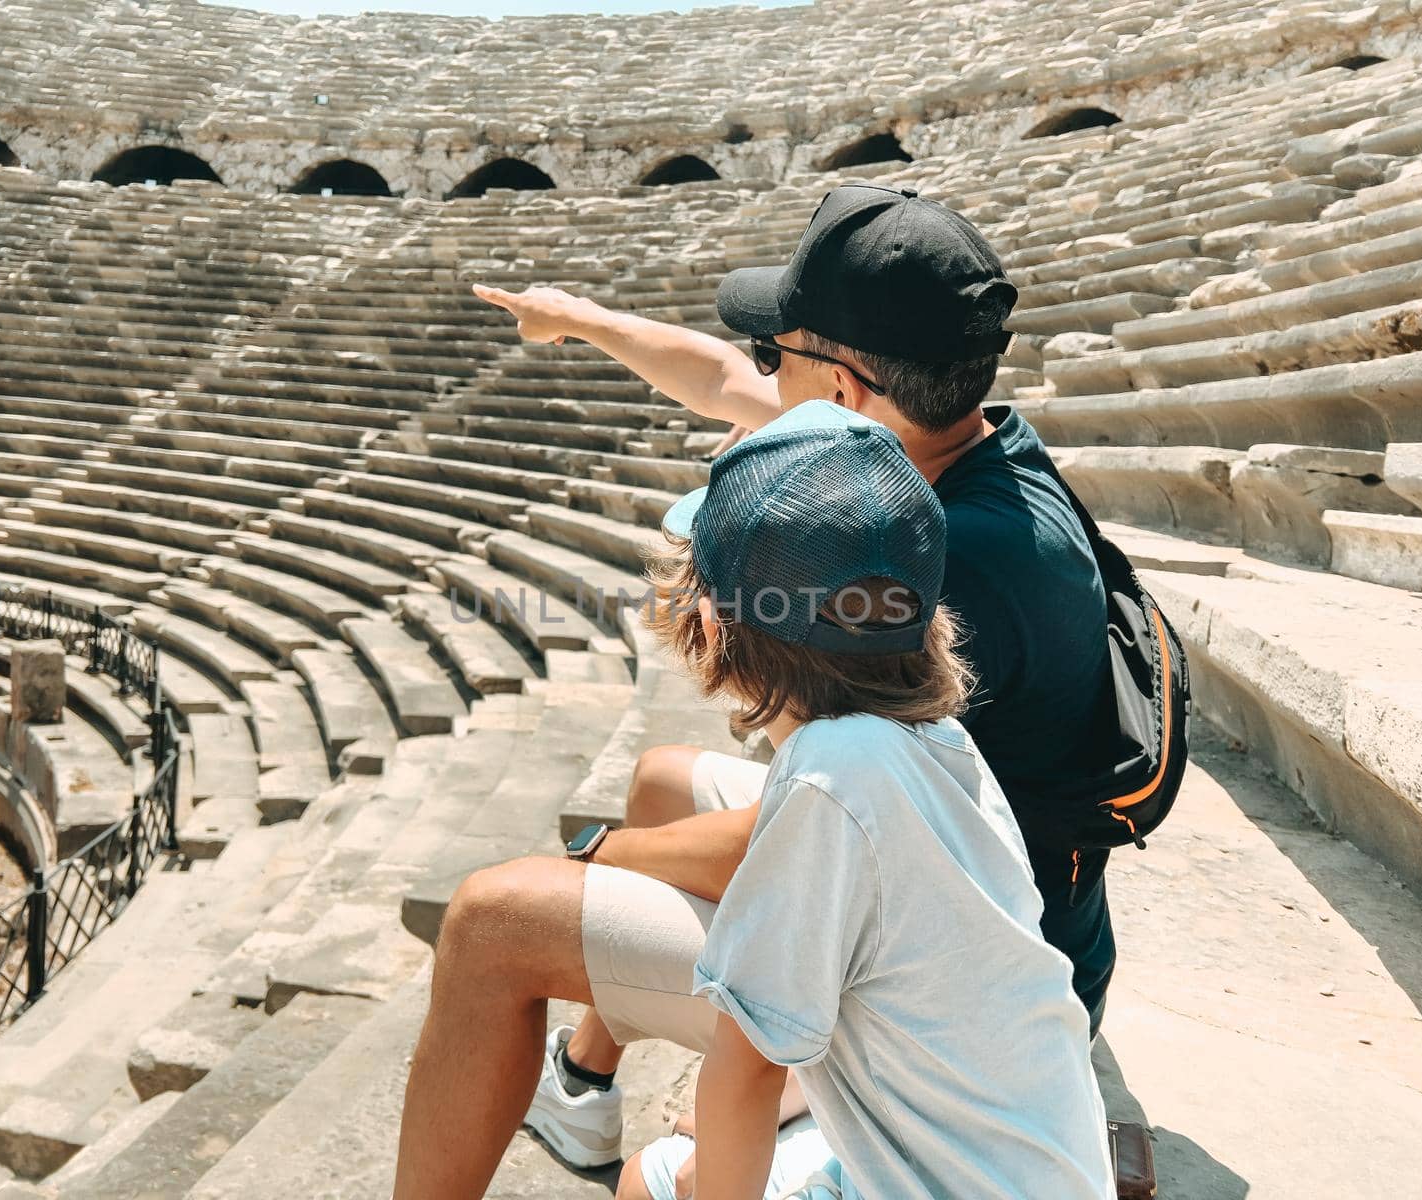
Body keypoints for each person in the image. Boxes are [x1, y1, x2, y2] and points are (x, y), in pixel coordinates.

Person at [390, 184, 1114, 1195]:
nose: (761, 375)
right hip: (960, 915)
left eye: (785, 357)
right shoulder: (929, 466)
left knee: (493, 918)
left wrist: (607, 854)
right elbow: (724, 381)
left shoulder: (966, 568)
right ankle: (584, 1078)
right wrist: (580, 320)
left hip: (930, 956)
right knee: (661, 777)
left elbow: (824, 829)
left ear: (851, 394)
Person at [615, 401, 1113, 1199]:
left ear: (711, 625)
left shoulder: (830, 774)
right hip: (1034, 1168)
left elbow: (743, 1075)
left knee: (649, 1183)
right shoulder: (936, 739)